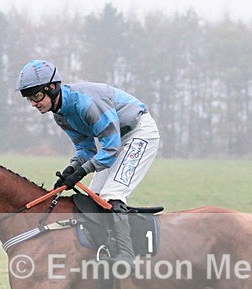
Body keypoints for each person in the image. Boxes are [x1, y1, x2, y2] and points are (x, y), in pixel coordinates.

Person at [16, 59, 160, 265]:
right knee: (95, 198)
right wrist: (72, 169)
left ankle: (126, 255)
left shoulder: (85, 102)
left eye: (37, 95)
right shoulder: (60, 115)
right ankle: (104, 248)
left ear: (53, 87)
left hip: (139, 133)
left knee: (112, 195)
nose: (34, 103)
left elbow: (110, 148)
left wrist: (82, 171)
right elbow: (86, 150)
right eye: (29, 98)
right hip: (116, 139)